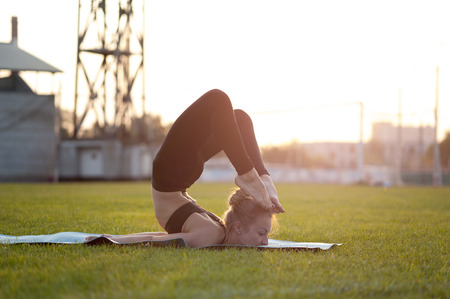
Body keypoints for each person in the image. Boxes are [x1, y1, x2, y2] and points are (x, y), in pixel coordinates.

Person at [85, 89, 285, 248]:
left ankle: (252, 175)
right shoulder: (215, 231)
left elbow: (158, 240)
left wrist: (112, 240)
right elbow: (161, 238)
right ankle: (260, 176)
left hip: (171, 174)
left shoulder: (210, 234)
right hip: (179, 175)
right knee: (240, 119)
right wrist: (113, 238)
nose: (265, 241)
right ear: (238, 227)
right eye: (262, 233)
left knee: (218, 99)